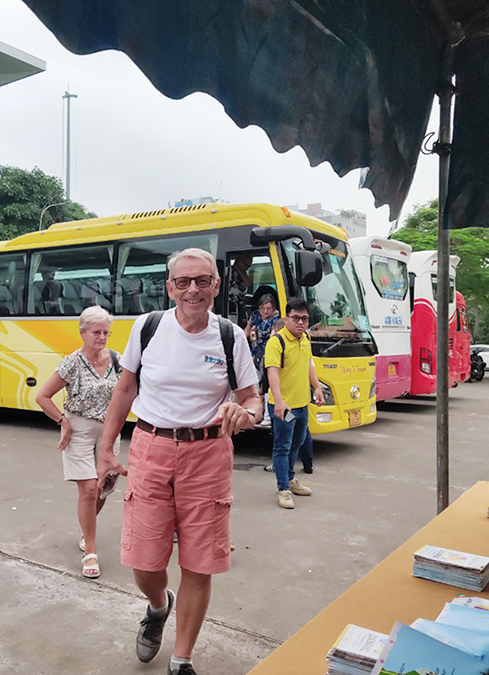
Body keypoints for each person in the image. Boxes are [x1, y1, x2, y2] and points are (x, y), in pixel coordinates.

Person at [96, 248, 261, 675]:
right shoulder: (147, 328)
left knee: (199, 562)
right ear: (170, 287)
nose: (193, 289)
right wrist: (105, 449)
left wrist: (249, 415)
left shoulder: (231, 337)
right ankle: (157, 605)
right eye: (184, 282)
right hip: (151, 449)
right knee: (145, 561)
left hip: (208, 456)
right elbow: (125, 390)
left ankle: (181, 659)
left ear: (216, 286)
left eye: (202, 281)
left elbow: (251, 397)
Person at [35, 306, 121, 579]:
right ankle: (91, 552)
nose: (102, 337)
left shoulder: (118, 361)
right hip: (80, 431)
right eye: (97, 332)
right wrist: (64, 421)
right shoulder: (72, 362)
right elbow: (43, 397)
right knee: (87, 490)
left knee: (101, 491)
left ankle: (87, 531)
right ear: (82, 333)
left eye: (106, 332)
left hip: (109, 433)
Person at [265, 298, 325, 509]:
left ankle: (290, 479)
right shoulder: (277, 342)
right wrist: (279, 401)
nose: (300, 322)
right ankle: (283, 489)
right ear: (286, 318)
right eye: (296, 318)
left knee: (296, 443)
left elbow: (308, 365)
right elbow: (272, 372)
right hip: (284, 407)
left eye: (305, 319)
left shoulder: (305, 338)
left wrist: (316, 387)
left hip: (301, 405)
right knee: (282, 446)